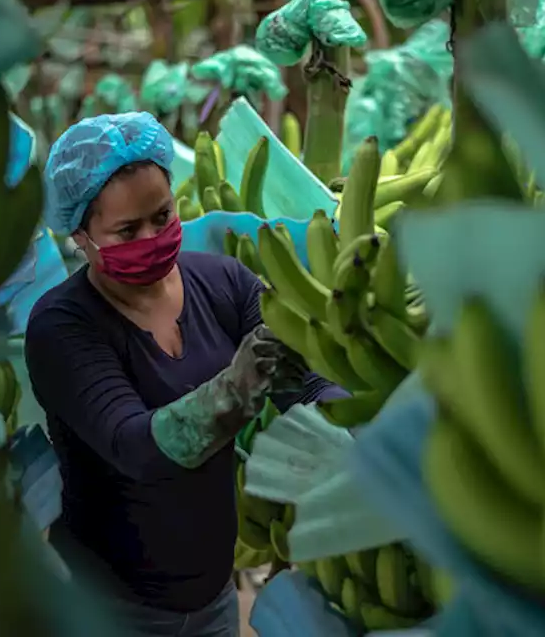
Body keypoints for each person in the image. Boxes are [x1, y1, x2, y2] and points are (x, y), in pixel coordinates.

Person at [24, 112, 346, 637]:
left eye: (162, 215)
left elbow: (299, 382)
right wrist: (234, 388)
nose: (151, 236)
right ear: (81, 234)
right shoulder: (62, 326)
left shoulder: (223, 281)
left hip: (213, 598)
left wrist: (360, 429)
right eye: (127, 230)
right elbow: (137, 448)